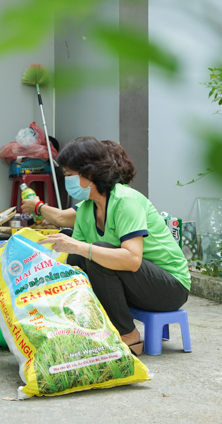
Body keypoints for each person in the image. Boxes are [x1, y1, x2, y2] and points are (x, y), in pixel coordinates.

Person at [35, 137, 190, 355]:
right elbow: (77, 258)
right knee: (79, 258)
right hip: (137, 284)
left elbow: (132, 260)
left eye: (69, 175)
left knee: (97, 254)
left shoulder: (125, 201)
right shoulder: (87, 207)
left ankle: (128, 335)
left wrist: (81, 248)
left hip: (170, 287)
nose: (66, 181)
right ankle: (93, 326)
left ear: (89, 173)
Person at [20, 140, 136, 228]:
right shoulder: (90, 204)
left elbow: (62, 217)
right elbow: (64, 218)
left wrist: (38, 207)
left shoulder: (124, 200)